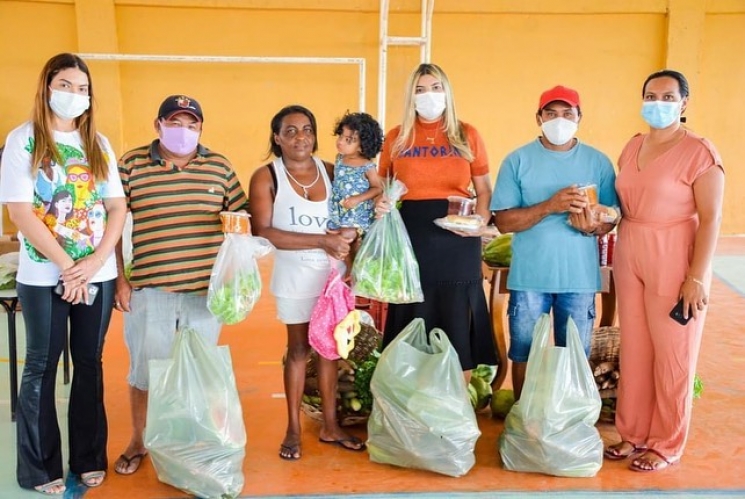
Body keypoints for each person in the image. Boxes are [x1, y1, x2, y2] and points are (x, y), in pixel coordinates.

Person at [0, 52, 127, 494]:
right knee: (41, 364)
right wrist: (69, 267)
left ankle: (89, 456)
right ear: (47, 87)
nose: (74, 95)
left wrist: (93, 264)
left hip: (97, 272)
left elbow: (116, 208)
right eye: (66, 85)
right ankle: (40, 467)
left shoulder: (100, 144)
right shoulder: (24, 140)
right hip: (43, 276)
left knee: (90, 364)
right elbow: (20, 212)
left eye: (82, 88)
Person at [113, 95, 249, 475]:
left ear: (201, 129)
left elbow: (241, 220)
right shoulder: (131, 164)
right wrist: (121, 282)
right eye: (175, 123)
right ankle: (139, 439)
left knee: (200, 371)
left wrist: (235, 279)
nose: (183, 131)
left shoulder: (219, 166)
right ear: (158, 125)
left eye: (191, 125)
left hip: (204, 295)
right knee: (144, 371)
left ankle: (194, 436)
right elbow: (110, 226)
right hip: (149, 291)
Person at [604, 70, 724, 472]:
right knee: (635, 348)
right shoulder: (632, 146)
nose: (658, 103)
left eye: (668, 97)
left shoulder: (699, 152)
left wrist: (696, 277)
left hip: (674, 252)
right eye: (651, 95)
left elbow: (710, 219)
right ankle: (632, 432)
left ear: (684, 103)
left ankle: (666, 442)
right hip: (631, 247)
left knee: (674, 353)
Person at [248, 104, 364, 461]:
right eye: (292, 130)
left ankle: (330, 425)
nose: (301, 137)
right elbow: (263, 231)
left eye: (307, 129)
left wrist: (353, 259)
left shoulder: (332, 171)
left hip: (331, 278)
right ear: (277, 137)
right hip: (294, 277)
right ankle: (293, 430)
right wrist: (322, 241)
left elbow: (352, 221)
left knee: (329, 350)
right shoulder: (267, 176)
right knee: (299, 350)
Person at [490, 85, 618, 401]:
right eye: (551, 113)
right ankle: (523, 413)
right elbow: (504, 222)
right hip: (530, 278)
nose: (559, 120)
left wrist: (594, 227)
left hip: (579, 279)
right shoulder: (517, 161)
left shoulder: (598, 162)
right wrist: (550, 205)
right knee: (523, 351)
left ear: (579, 117)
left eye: (567, 113)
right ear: (539, 118)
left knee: (574, 353)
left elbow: (612, 217)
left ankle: (569, 417)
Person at [375, 63, 497, 379]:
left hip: (458, 238)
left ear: (447, 93)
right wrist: (381, 202)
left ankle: (454, 411)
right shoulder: (396, 138)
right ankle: (414, 408)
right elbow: (381, 188)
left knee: (458, 327)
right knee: (412, 321)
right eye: (420, 89)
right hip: (411, 238)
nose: (428, 95)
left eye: (435, 88)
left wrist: (478, 223)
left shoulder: (467, 134)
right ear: (410, 97)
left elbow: (484, 191)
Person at [327, 111, 384, 273]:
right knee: (337, 238)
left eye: (348, 140)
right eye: (340, 136)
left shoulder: (367, 166)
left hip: (357, 213)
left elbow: (377, 188)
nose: (340, 142)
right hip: (340, 210)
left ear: (362, 145)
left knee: (351, 238)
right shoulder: (339, 159)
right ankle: (346, 270)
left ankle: (356, 272)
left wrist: (358, 199)